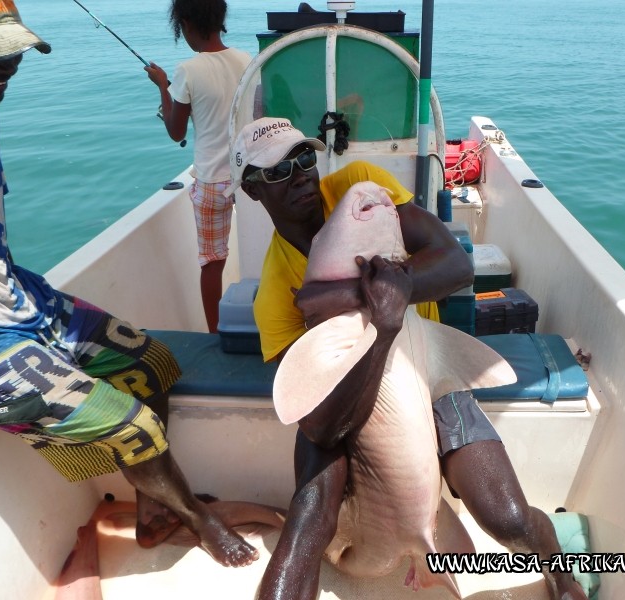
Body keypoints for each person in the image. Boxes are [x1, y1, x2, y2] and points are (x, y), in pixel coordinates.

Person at [0, 0, 258, 568]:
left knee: (154, 365)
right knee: (131, 426)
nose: (9, 62)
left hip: (18, 297)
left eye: (13, 47)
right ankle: (193, 515)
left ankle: (153, 508)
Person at [226, 117, 588, 599]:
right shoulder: (274, 294)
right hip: (343, 395)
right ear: (252, 190)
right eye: (277, 172)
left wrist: (372, 298)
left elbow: (457, 265)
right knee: (307, 522)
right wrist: (382, 329)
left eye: (305, 158)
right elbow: (320, 425)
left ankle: (563, 577)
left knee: (509, 519)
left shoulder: (358, 190)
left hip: (426, 365)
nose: (300, 175)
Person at [145, 0, 251, 333]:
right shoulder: (247, 61)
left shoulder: (187, 71)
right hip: (247, 177)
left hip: (210, 183)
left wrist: (163, 85)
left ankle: (215, 335)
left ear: (186, 23)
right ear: (220, 20)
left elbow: (176, 131)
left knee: (212, 263)